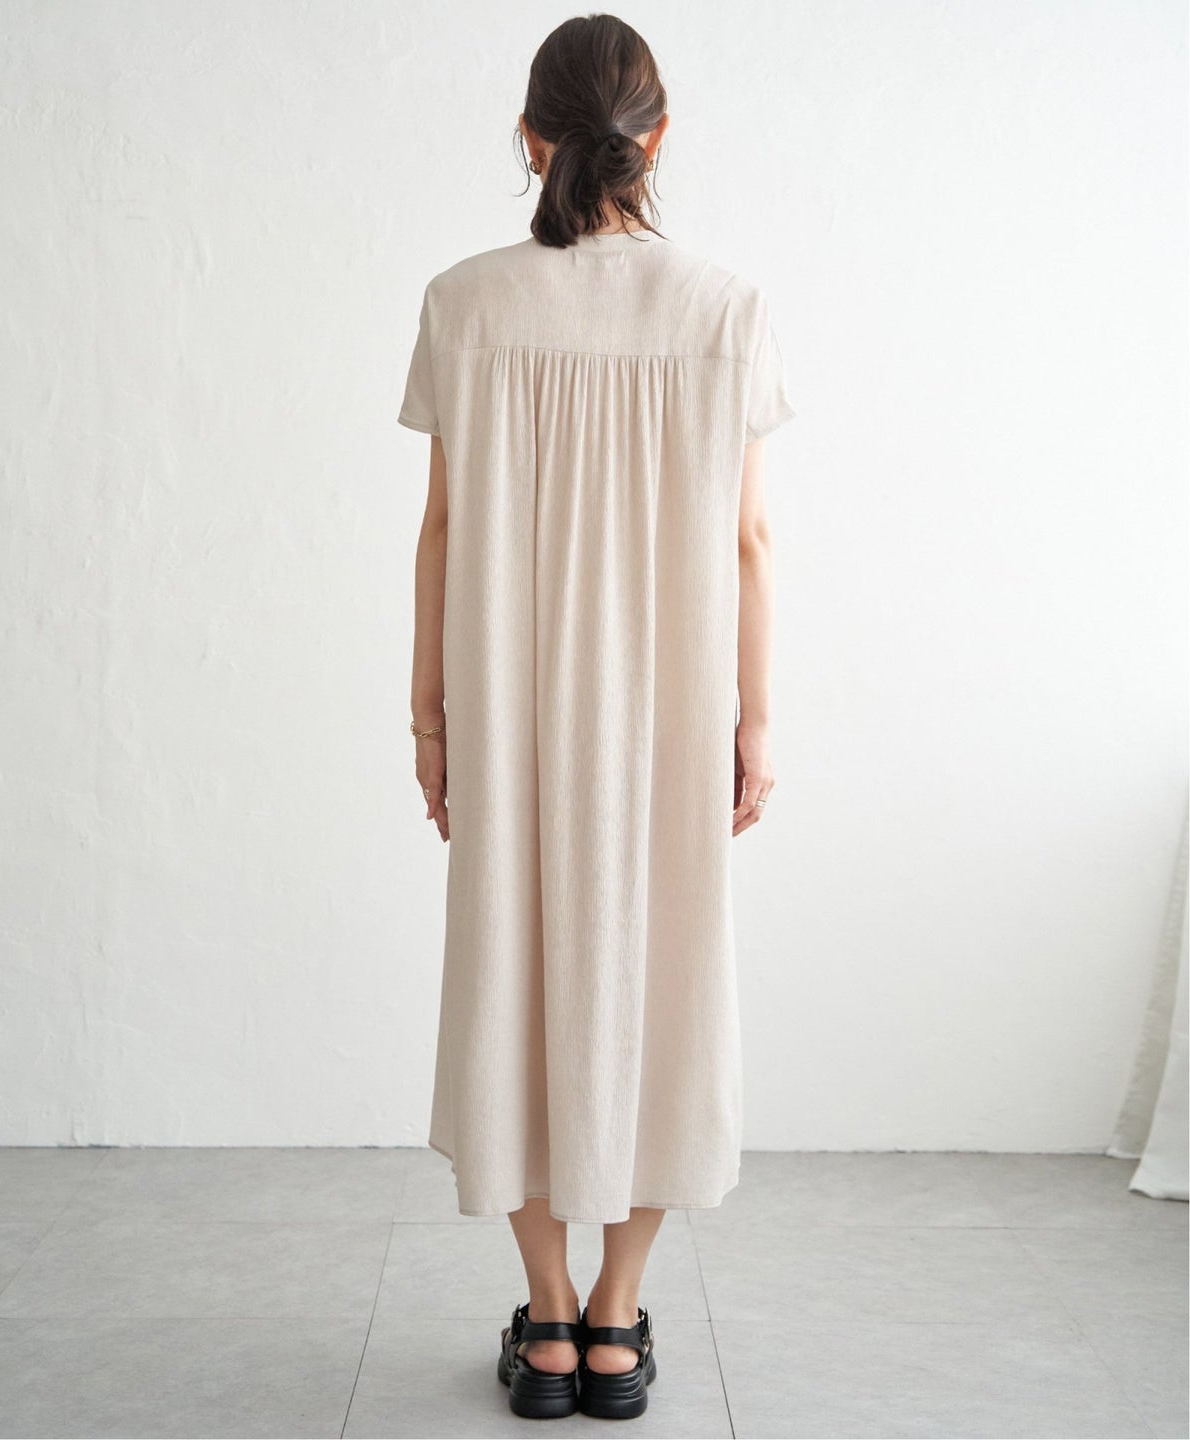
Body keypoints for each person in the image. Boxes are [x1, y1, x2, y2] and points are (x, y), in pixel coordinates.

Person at [399, 13, 795, 1422]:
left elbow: (443, 527)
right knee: (661, 985)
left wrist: (430, 717)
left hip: (509, 708)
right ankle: (619, 1321)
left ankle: (551, 1315)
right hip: (670, 713)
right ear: (658, 135)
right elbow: (748, 541)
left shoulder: (464, 301)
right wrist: (755, 720)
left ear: (529, 137)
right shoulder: (727, 307)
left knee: (512, 977)